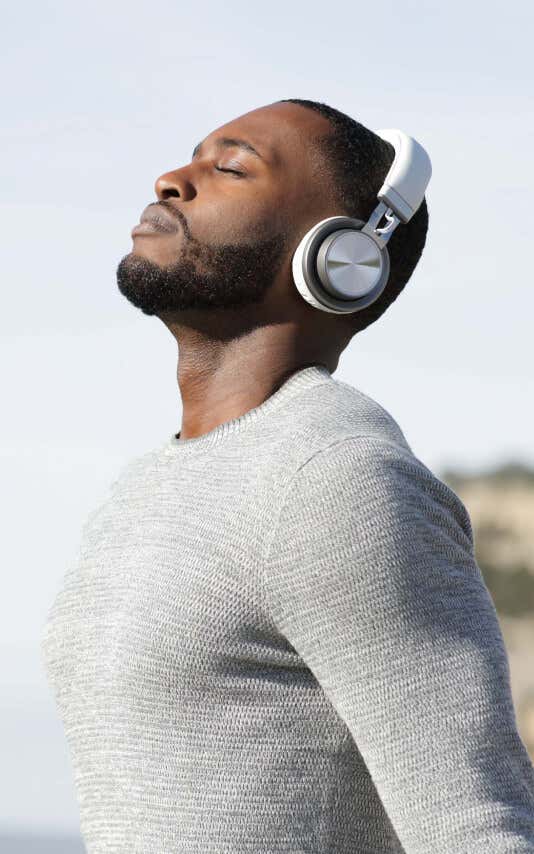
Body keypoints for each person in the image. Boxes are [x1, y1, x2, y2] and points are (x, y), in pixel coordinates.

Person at [41, 99, 534, 852]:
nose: (171, 180)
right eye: (191, 157)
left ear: (343, 258)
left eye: (231, 168)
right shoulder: (145, 487)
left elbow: (476, 828)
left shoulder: (338, 478)